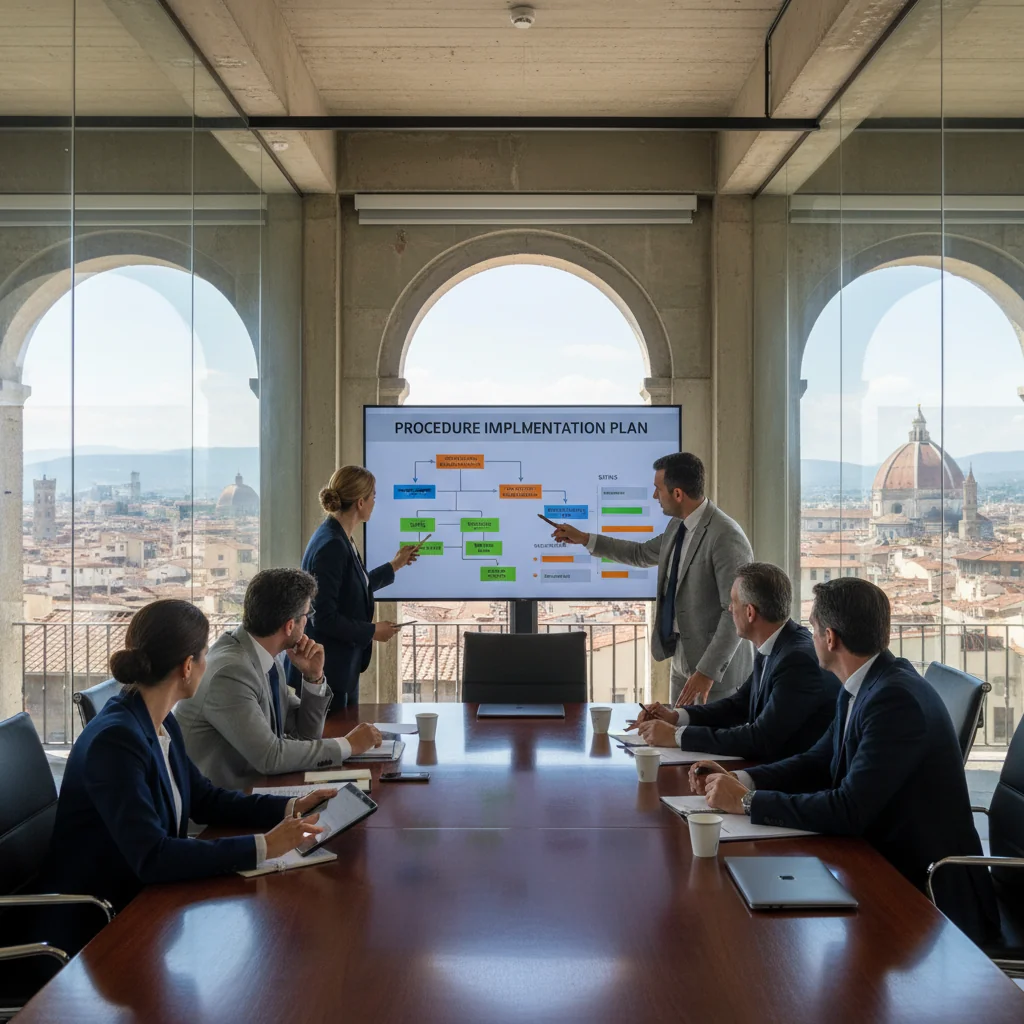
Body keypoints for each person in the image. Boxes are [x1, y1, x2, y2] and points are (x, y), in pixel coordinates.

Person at [691, 577, 999, 945]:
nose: (810, 637)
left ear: (831, 638)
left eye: (814, 628)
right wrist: (743, 779)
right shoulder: (864, 682)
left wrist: (745, 803)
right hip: (879, 860)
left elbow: (849, 809)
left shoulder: (894, 701)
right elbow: (819, 760)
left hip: (924, 890)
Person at [44, 599, 336, 919]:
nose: (207, 664)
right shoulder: (115, 742)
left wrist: (291, 806)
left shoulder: (162, 720)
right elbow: (153, 855)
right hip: (104, 919)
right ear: (186, 666)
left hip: (150, 900)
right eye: (205, 655)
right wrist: (264, 847)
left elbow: (204, 799)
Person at [552, 452, 753, 705]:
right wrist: (585, 539)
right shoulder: (677, 527)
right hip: (681, 659)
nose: (654, 496)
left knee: (709, 742)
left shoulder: (725, 536)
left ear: (678, 494)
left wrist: (707, 671)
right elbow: (640, 554)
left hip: (714, 675)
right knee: (677, 738)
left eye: (658, 489)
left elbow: (735, 610)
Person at [174, 568, 383, 790]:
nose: (308, 622)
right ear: (289, 625)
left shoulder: (265, 656)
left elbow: (305, 734)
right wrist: (348, 746)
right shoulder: (230, 672)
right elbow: (270, 757)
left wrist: (313, 678)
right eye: (306, 615)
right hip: (220, 814)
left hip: (257, 792)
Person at [630, 562, 839, 761]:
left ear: (750, 612)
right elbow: (738, 706)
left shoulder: (796, 661)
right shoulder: (776, 643)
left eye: (733, 602)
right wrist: (675, 717)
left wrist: (677, 736)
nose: (730, 609)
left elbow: (760, 739)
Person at [300, 465, 419, 708]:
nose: (375, 502)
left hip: (340, 668)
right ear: (361, 503)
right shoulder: (332, 545)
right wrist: (371, 631)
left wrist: (395, 565)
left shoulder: (339, 536)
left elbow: (354, 587)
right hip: (329, 669)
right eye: (373, 496)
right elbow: (322, 617)